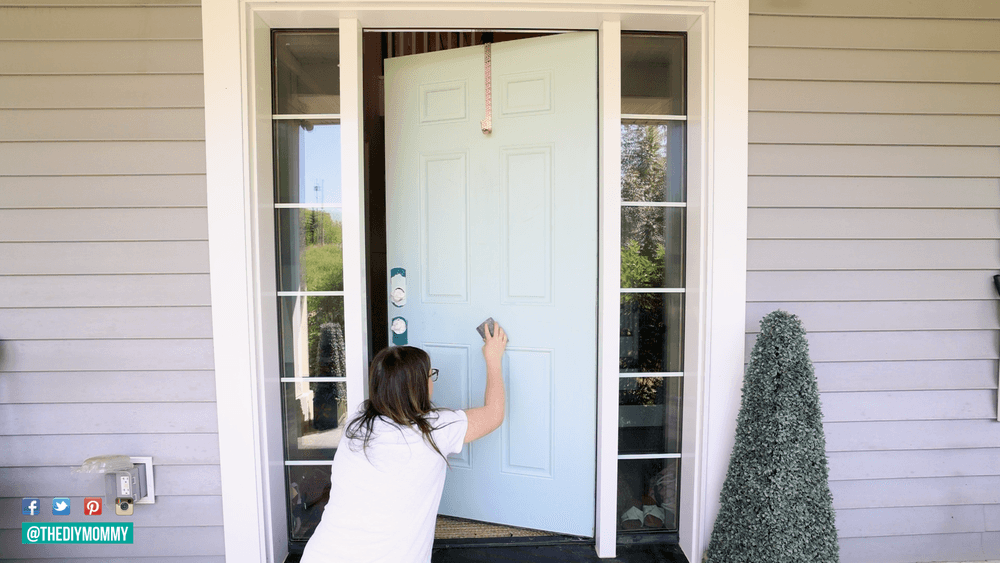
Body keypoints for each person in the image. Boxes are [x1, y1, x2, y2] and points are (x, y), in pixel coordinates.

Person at [299, 322, 509, 563]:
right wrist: (493, 359)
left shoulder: (356, 424)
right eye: (430, 375)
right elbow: (494, 414)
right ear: (418, 387)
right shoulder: (435, 430)